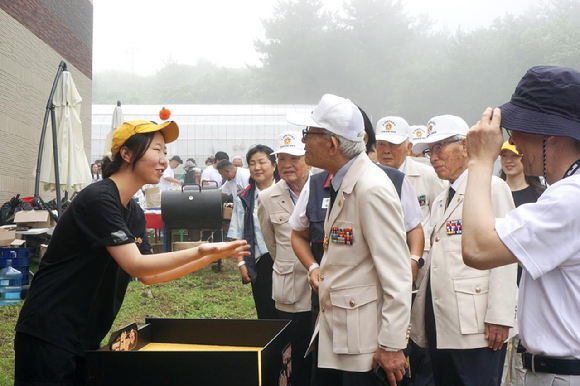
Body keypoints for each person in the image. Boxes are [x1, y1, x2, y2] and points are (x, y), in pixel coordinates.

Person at [14, 120, 250, 385]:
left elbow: (150, 274)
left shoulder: (134, 212)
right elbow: (135, 265)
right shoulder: (99, 198)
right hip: (49, 330)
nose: (163, 160)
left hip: (85, 332)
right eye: (157, 150)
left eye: (164, 152)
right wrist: (202, 249)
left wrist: (210, 256)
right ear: (126, 154)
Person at [462, 65, 580, 386]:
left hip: (561, 372)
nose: (511, 142)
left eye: (517, 131)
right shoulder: (566, 193)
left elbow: (476, 248)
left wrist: (480, 161)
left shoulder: (570, 198)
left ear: (548, 137)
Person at [288, 94, 412, 386]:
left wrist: (392, 345)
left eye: (309, 134)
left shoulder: (370, 188)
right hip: (345, 333)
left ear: (332, 144)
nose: (303, 141)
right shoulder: (345, 181)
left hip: (366, 344)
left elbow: (396, 272)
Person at [409, 115, 518, 386]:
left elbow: (506, 256)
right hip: (441, 321)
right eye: (428, 150)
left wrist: (500, 316)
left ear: (466, 146)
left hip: (478, 324)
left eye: (439, 147)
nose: (432, 156)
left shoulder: (492, 188)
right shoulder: (440, 200)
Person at [257, 131, 312, 386]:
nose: (287, 164)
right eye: (281, 158)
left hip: (325, 288)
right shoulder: (267, 197)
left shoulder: (323, 189)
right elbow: (272, 245)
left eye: (294, 158)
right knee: (292, 353)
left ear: (308, 159)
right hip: (290, 289)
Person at [375, 116, 447, 288]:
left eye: (393, 145)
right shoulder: (366, 177)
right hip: (380, 261)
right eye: (382, 144)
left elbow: (441, 214)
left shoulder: (428, 175)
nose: (386, 150)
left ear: (408, 148)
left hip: (420, 262)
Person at [228, 145, 279, 320]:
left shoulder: (288, 191)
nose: (257, 167)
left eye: (262, 162)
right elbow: (239, 234)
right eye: (252, 163)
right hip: (262, 261)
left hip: (290, 260)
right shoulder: (244, 197)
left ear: (273, 165)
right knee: (266, 311)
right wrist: (242, 264)